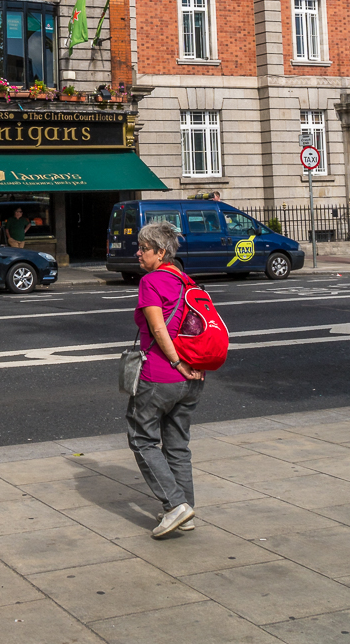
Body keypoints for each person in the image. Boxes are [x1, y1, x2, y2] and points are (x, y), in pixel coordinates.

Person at [126, 220, 204, 540]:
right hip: (194, 377)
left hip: (161, 374)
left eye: (144, 248)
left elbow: (159, 330)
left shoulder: (152, 282)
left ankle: (175, 505)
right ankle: (186, 511)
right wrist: (187, 366)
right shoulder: (186, 280)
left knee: (141, 438)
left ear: (160, 252)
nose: (139, 253)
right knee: (177, 445)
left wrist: (175, 362)